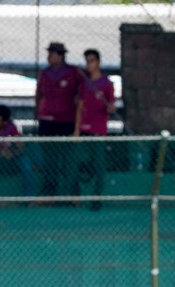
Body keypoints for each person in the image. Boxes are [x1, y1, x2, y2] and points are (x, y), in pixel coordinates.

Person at [36, 42, 83, 199]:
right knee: (50, 158)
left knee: (68, 158)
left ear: (61, 55)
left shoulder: (74, 73)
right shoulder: (44, 74)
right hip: (47, 121)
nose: (49, 57)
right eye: (49, 53)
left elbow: (83, 93)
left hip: (66, 121)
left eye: (53, 54)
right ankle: (49, 193)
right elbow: (39, 95)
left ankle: (71, 193)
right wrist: (38, 113)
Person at [73, 49, 115, 211]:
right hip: (84, 129)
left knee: (99, 165)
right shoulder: (84, 83)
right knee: (77, 163)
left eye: (91, 61)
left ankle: (97, 199)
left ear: (98, 62)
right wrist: (77, 129)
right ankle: (76, 197)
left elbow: (111, 105)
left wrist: (110, 108)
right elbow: (80, 106)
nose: (89, 65)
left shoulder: (106, 84)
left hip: (99, 130)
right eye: (87, 61)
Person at [0, 105, 35, 197]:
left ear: (5, 122)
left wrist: (12, 152)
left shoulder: (12, 128)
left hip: (10, 158)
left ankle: (29, 197)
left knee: (26, 165)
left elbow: (20, 147)